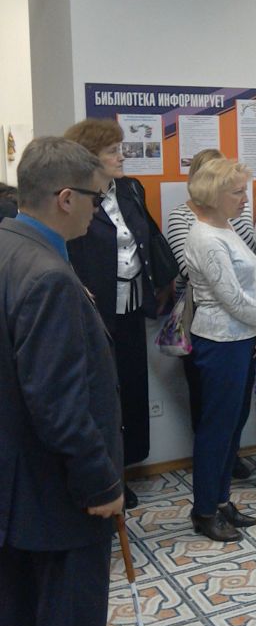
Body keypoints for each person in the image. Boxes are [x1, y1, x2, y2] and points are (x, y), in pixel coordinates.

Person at [0, 137, 136, 626]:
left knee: (17, 612)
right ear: (63, 197)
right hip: (56, 485)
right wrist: (101, 482)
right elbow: (57, 401)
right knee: (67, 617)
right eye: (94, 199)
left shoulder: (8, 246)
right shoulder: (49, 274)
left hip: (13, 481)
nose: (97, 212)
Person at [64, 118, 161, 510]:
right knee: (103, 393)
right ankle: (107, 474)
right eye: (112, 151)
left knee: (133, 388)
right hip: (96, 311)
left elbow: (144, 239)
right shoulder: (73, 196)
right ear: (89, 157)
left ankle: (125, 467)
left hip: (132, 306)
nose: (122, 156)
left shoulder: (130, 189)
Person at [184, 158, 256, 541]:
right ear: (214, 194)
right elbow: (232, 298)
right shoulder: (206, 237)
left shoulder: (227, 227)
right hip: (219, 341)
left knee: (233, 425)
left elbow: (248, 288)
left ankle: (221, 500)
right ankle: (205, 510)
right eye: (237, 192)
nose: (245, 199)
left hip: (241, 338)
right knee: (216, 429)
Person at [166, 148, 256, 480]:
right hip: (207, 323)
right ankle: (211, 481)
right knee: (210, 407)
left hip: (244, 323)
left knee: (237, 404)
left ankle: (226, 467)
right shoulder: (188, 222)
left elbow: (253, 258)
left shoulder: (233, 218)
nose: (242, 197)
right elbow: (194, 272)